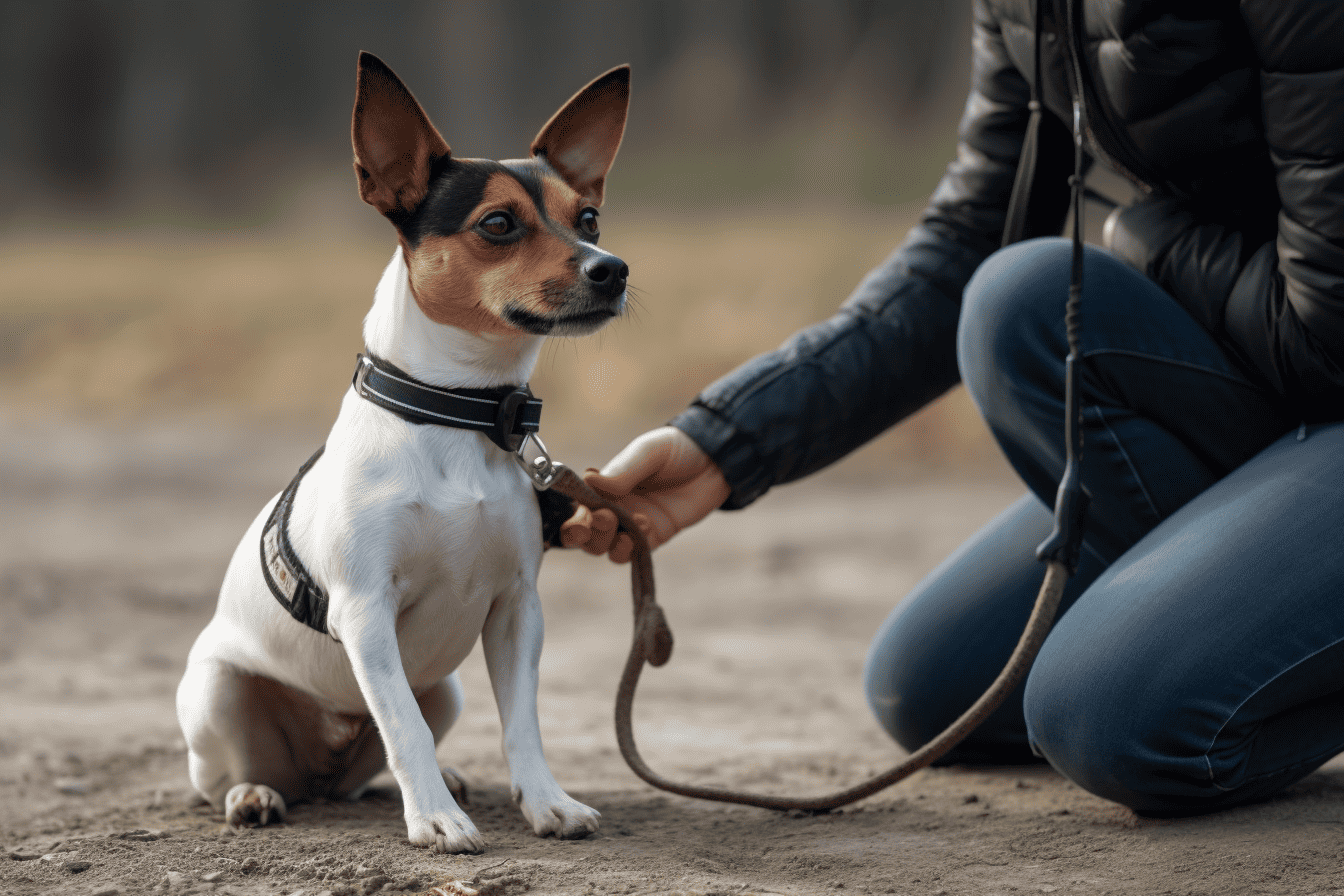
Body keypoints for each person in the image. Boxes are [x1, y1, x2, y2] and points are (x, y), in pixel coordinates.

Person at [560, 0, 1344, 817]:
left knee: (1114, 719)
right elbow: (974, 237)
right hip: (1265, 373)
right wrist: (723, 442)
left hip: (1322, 368)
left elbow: (1330, 332)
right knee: (928, 684)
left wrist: (1138, 234)